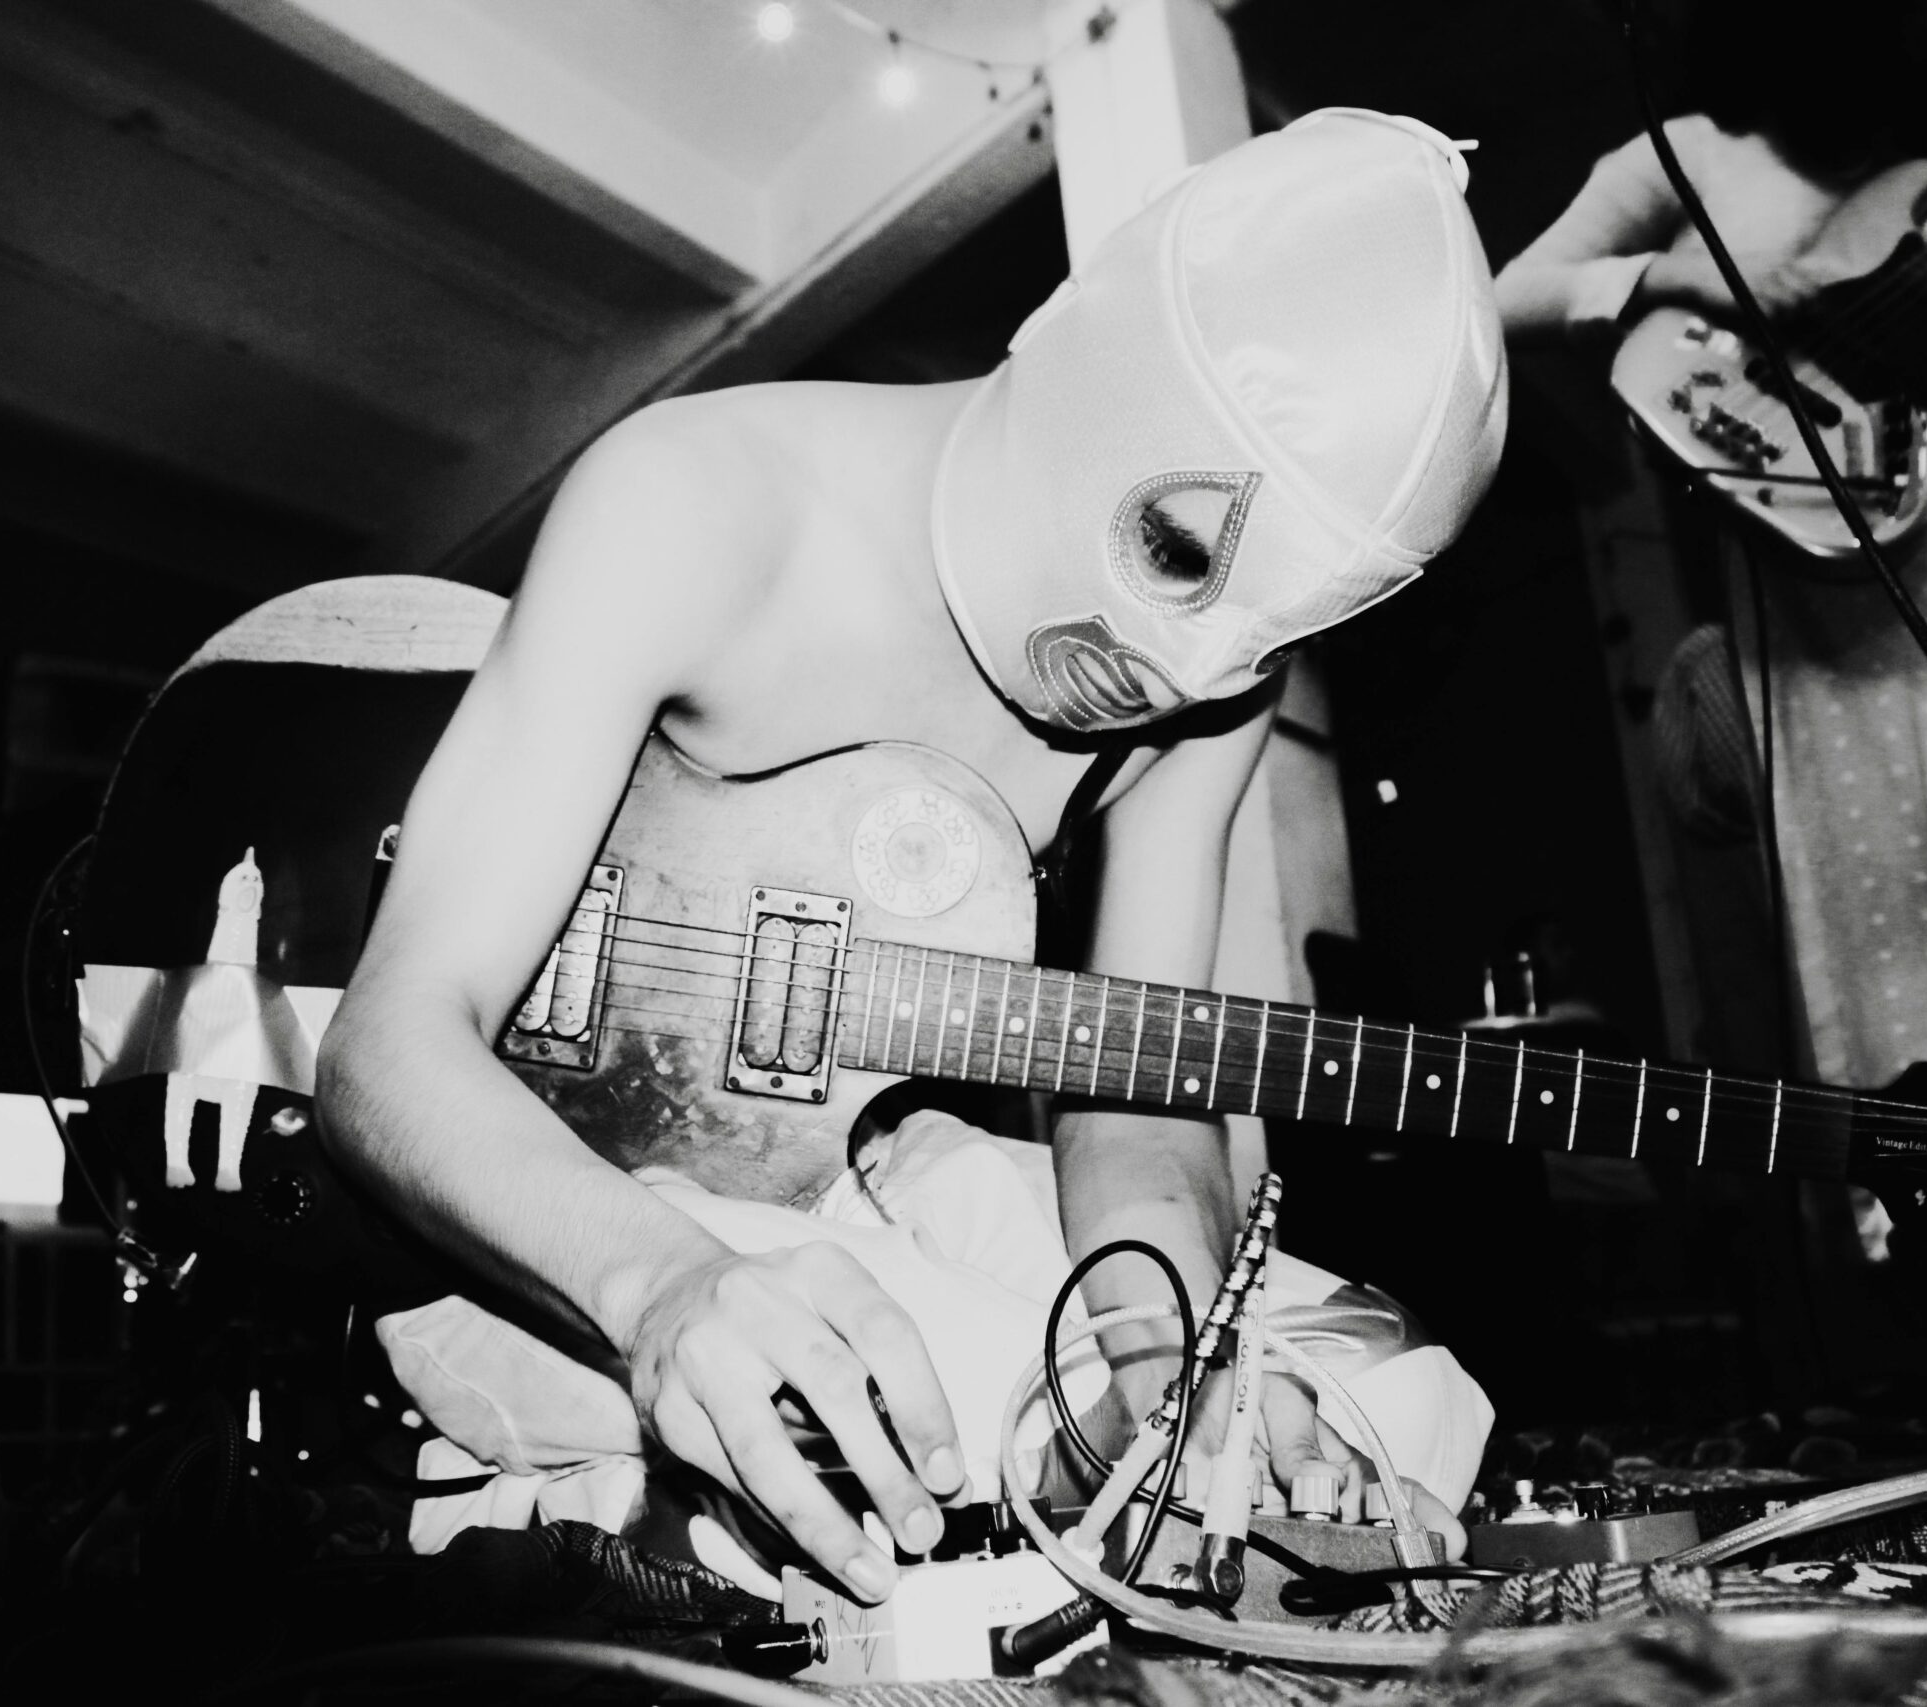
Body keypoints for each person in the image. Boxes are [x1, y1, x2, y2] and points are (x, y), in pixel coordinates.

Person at [318, 108, 1508, 1600]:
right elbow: (388, 1042)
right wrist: (665, 1285)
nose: (1193, 674)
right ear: (1094, 352)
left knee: (1359, 1402)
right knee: (965, 1418)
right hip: (544, 1201)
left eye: (1277, 633)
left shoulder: (1218, 693)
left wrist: (1168, 1361)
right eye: (1187, 554)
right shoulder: (701, 498)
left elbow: (1131, 1103)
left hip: (862, 1163)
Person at [1494, 1, 1927, 1103]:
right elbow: (1503, 297)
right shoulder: (1683, 151)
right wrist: (1668, 279)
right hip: (1822, 578)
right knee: (1890, 884)